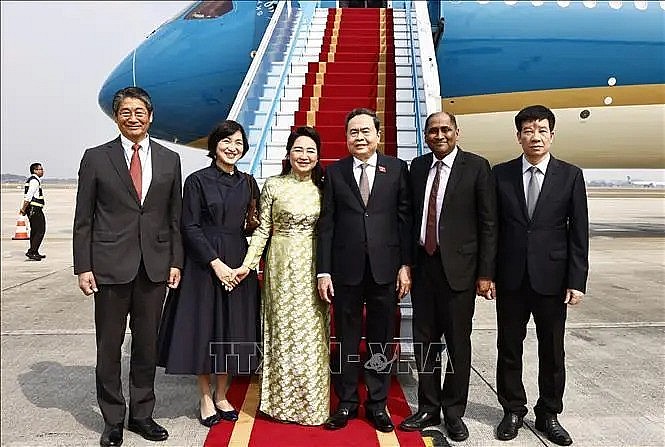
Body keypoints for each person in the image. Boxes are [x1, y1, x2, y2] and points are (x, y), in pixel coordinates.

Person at [73, 87, 183, 447]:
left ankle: (142, 414)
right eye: (125, 111)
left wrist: (175, 262)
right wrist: (83, 266)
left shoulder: (170, 160)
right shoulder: (96, 158)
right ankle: (113, 419)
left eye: (139, 111)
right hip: (108, 267)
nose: (133, 117)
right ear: (116, 117)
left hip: (154, 266)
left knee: (146, 345)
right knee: (108, 346)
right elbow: (84, 219)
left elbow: (173, 218)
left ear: (150, 117)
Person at [492, 105, 588, 446]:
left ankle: (549, 413)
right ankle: (513, 409)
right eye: (528, 130)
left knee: (552, 350)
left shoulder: (570, 175)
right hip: (511, 277)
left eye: (542, 129)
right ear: (518, 136)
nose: (535, 136)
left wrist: (577, 281)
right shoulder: (499, 174)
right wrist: (488, 275)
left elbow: (579, 232)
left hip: (553, 278)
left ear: (552, 134)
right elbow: (493, 230)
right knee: (508, 347)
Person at [399, 112, 497, 441]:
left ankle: (454, 411)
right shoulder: (418, 167)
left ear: (457, 132)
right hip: (424, 268)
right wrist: (407, 264)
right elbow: (411, 217)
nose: (439, 135)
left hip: (460, 272)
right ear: (426, 135)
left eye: (445, 129)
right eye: (433, 131)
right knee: (425, 343)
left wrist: (485, 273)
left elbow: (488, 223)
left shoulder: (477, 166)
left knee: (457, 343)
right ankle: (428, 406)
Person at [157, 120, 261, 428]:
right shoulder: (197, 181)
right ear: (214, 145)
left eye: (239, 143)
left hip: (238, 261)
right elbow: (189, 226)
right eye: (227, 141)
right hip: (204, 264)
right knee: (204, 329)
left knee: (231, 330)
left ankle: (222, 393)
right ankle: (204, 396)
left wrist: (244, 264)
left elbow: (252, 225)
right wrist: (216, 264)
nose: (233, 147)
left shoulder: (249, 182)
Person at [317, 108, 412, 433]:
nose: (359, 137)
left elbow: (404, 221)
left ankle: (377, 402)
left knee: (380, 340)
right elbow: (326, 225)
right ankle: (345, 402)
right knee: (345, 339)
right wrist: (324, 271)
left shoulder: (397, 169)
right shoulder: (335, 172)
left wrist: (404, 265)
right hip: (345, 271)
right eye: (353, 132)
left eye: (365, 131)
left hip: (385, 270)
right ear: (346, 138)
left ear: (377, 135)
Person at [232, 126, 329, 425]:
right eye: (298, 149)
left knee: (313, 335)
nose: (304, 155)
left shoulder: (324, 187)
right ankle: (280, 404)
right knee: (282, 333)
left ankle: (312, 405)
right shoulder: (273, 185)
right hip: (280, 264)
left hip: (314, 266)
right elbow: (262, 230)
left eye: (310, 150)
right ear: (288, 154)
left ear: (317, 156)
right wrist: (247, 265)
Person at [20, 162, 47, 261]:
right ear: (35, 170)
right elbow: (29, 196)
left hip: (33, 208)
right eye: (40, 169)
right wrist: (23, 208)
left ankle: (34, 251)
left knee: (35, 230)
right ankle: (32, 251)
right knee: (40, 230)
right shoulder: (34, 181)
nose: (42, 171)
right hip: (34, 209)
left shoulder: (33, 180)